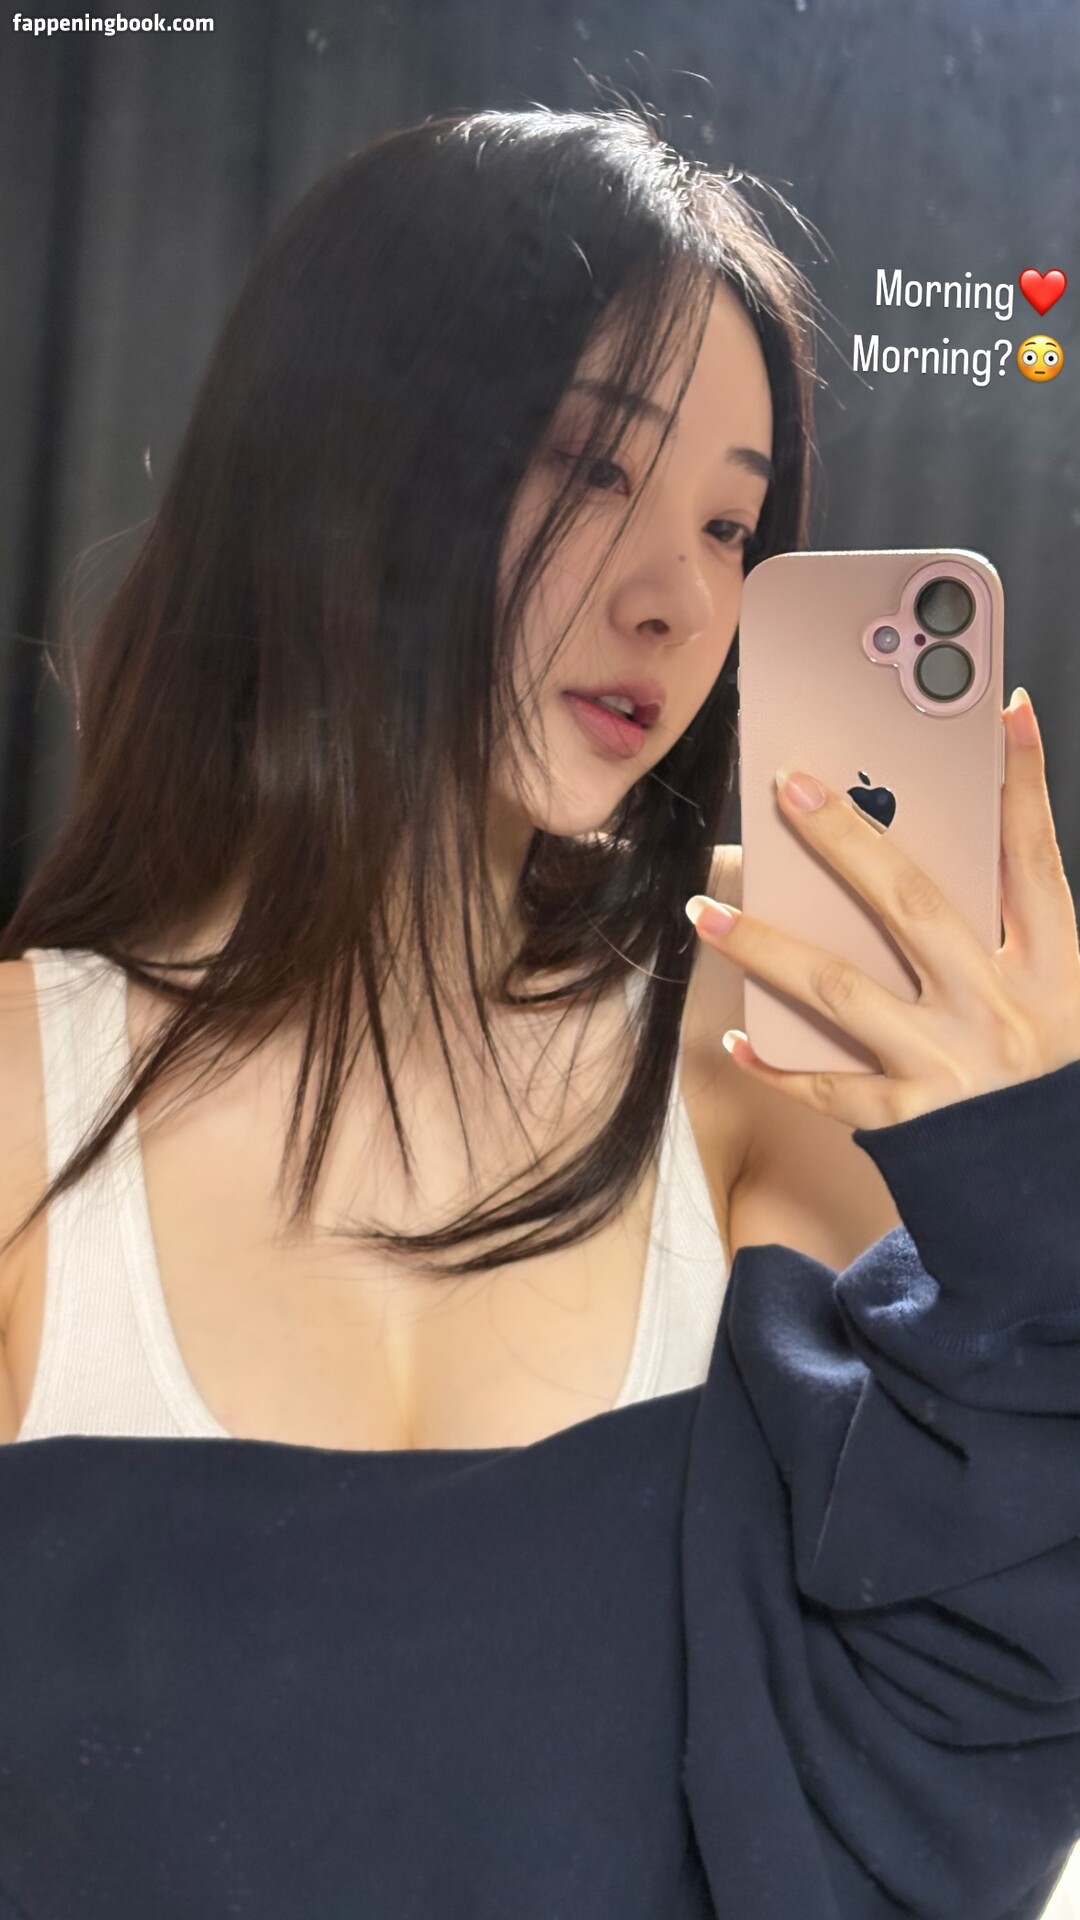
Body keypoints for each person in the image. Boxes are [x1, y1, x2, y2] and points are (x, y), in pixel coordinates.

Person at [0, 104, 1078, 1920]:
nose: (679, 598)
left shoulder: (753, 1072)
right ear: (348, 459)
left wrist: (1032, 1183)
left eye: (731, 522)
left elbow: (970, 1747)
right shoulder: (28, 1091)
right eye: (589, 470)